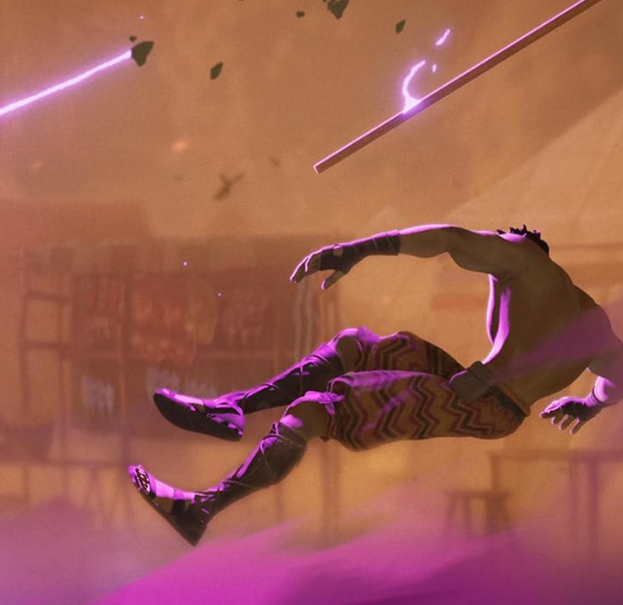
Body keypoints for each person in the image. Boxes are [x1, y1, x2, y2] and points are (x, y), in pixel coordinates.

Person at [128, 225, 623, 546]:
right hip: (477, 388)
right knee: (353, 345)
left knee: (314, 410)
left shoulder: (520, 256)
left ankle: (201, 508)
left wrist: (357, 250)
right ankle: (232, 408)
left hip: (483, 403)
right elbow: (616, 376)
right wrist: (590, 404)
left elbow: (451, 238)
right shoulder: (593, 323)